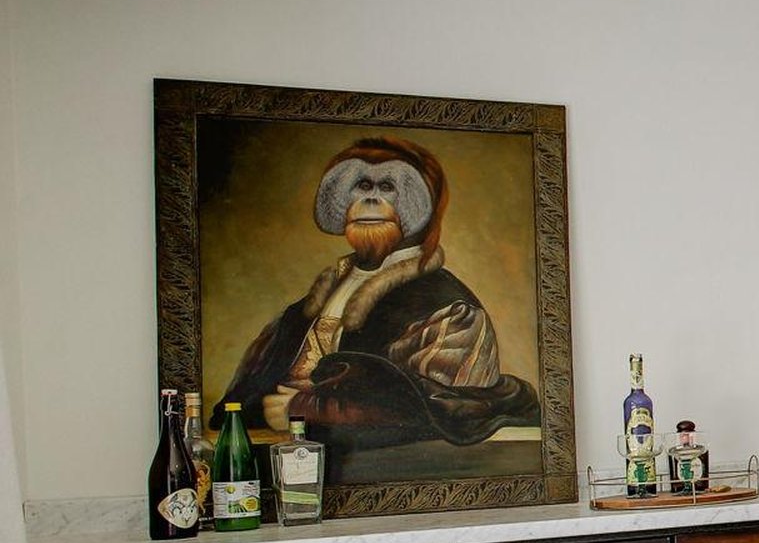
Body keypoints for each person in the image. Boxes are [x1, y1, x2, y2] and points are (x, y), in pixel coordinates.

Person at [218, 135, 538, 450]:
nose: (371, 201)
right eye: (361, 186)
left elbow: (446, 413)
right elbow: (242, 396)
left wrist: (307, 408)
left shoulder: (450, 308)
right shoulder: (308, 307)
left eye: (388, 188)